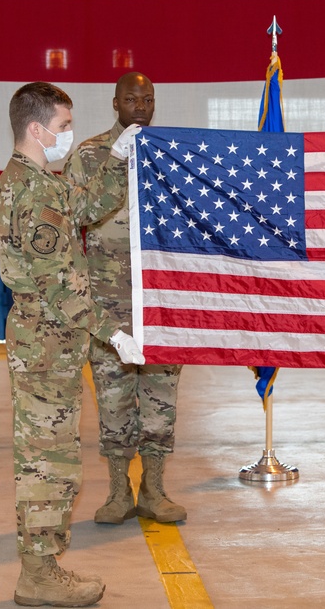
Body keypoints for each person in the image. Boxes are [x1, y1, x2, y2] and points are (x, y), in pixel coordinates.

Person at [0, 81, 144, 607]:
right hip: (46, 345)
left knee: (53, 457)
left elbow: (87, 205)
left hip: (51, 346)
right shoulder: (31, 190)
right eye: (62, 127)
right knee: (47, 462)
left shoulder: (39, 180)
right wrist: (114, 332)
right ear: (36, 129)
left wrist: (119, 159)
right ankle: (38, 573)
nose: (69, 135)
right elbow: (60, 284)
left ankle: (43, 565)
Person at [63, 72, 187, 524]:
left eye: (148, 98)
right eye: (131, 98)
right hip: (108, 303)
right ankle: (119, 491)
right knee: (113, 399)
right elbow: (70, 219)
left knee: (160, 399)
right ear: (115, 103)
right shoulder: (91, 155)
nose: (141, 105)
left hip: (158, 301)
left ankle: (154, 489)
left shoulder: (174, 156)